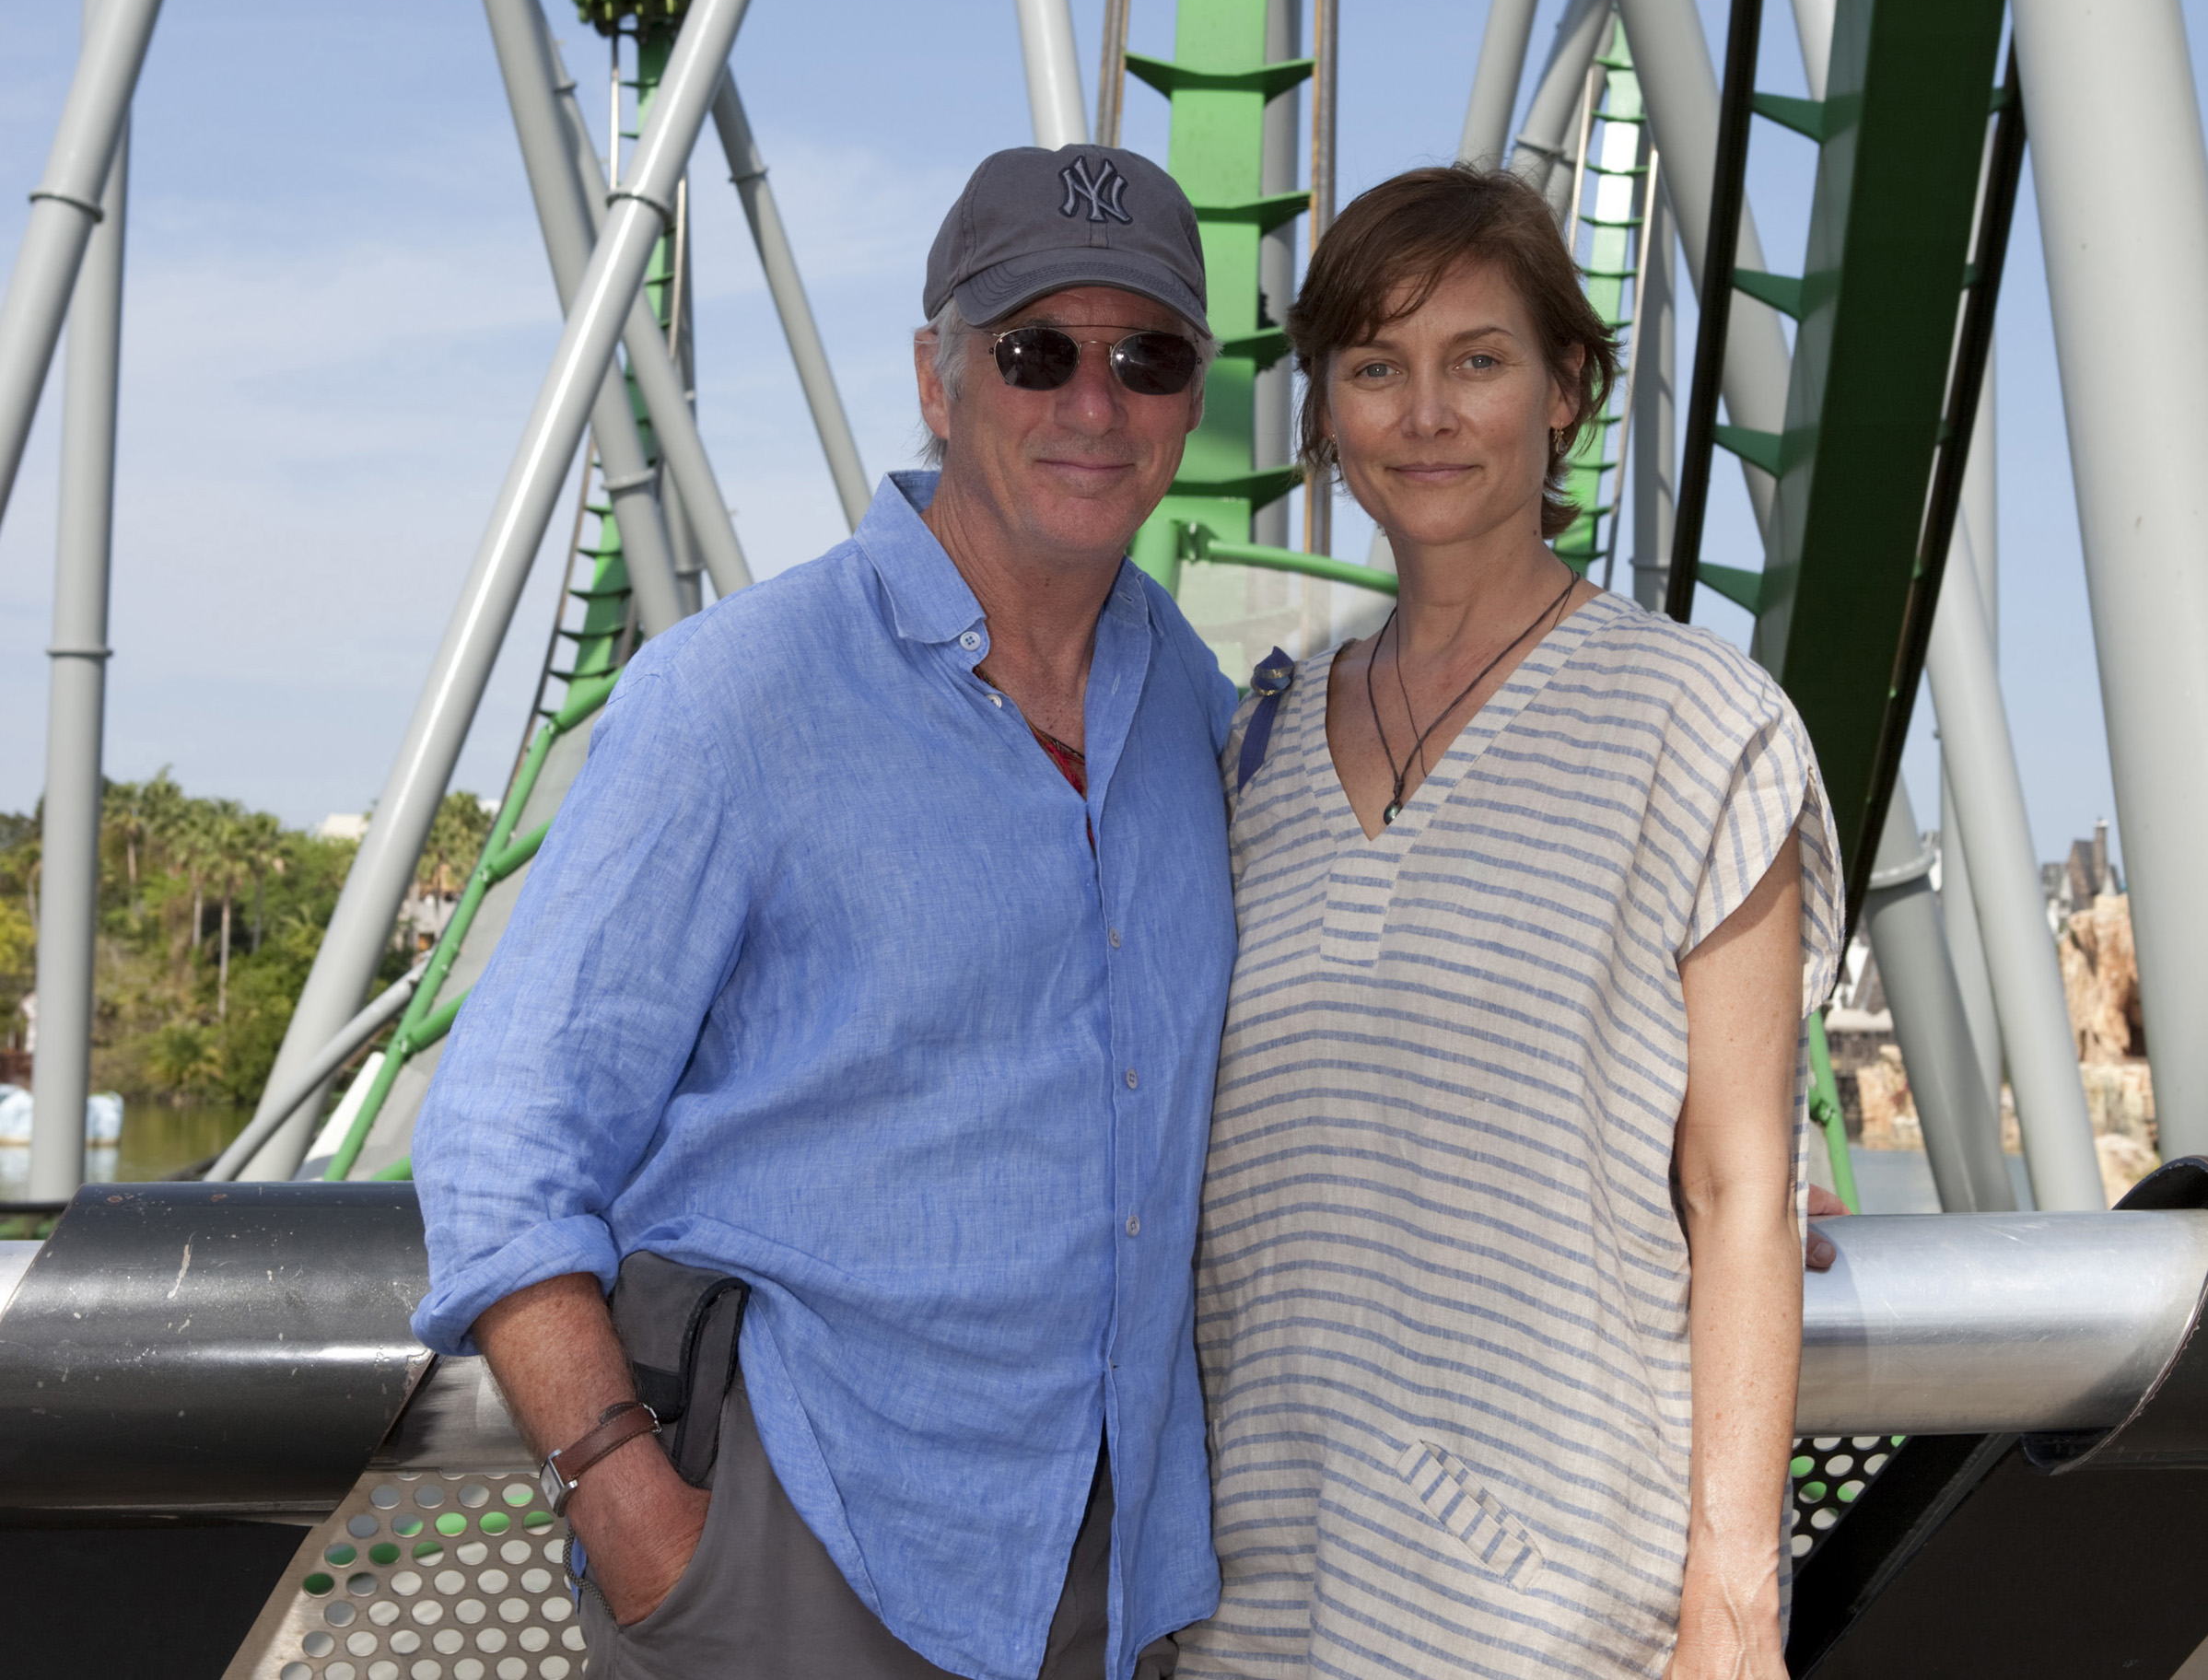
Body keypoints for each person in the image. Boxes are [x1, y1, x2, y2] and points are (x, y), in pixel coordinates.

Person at [410, 143, 1241, 1680]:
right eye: (1034, 351)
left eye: (1147, 355)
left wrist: (1664, 1150)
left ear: (1193, 397)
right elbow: (502, 1135)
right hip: (810, 1550)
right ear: (938, 378)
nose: (1092, 402)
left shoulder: (1190, 707)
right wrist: (632, 1515)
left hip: (1114, 1575)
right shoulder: (740, 696)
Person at [1176, 164, 1842, 1680]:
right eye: (1373, 368)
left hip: (1546, 1601)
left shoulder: (1697, 727)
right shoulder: (1251, 751)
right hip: (1251, 1587)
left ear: (1565, 392)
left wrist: (1731, 1597)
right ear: (1326, 411)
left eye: (1476, 361)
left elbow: (1746, 1184)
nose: (1424, 416)